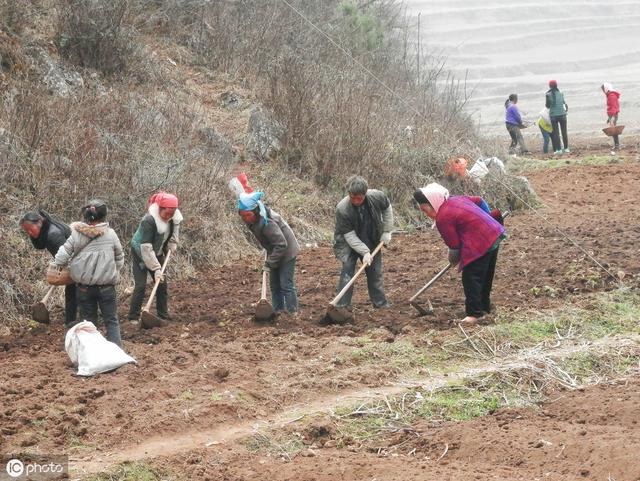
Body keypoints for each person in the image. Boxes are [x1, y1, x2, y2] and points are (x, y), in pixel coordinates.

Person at [413, 183, 506, 325]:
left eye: (425, 209)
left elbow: (454, 246)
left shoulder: (443, 217)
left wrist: (453, 260)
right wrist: (487, 217)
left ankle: (474, 315)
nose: (426, 214)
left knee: (471, 277)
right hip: (494, 234)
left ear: (433, 202)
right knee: (485, 275)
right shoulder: (455, 199)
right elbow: (479, 200)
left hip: (480, 242)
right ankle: (484, 308)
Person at [53, 200, 124, 346]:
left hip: (84, 288)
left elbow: (61, 256)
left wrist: (60, 266)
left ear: (85, 215)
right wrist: (113, 271)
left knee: (89, 323)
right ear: (104, 216)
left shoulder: (76, 235)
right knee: (111, 320)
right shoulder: (111, 234)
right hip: (107, 288)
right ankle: (116, 353)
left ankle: (91, 355)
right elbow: (120, 257)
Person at [333, 175, 393, 309]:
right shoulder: (342, 209)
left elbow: (387, 208)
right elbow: (349, 235)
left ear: (365, 194)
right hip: (348, 243)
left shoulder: (377, 196)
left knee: (375, 272)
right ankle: (341, 306)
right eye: (352, 197)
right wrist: (364, 252)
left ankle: (380, 304)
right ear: (348, 193)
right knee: (347, 271)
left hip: (371, 237)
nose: (355, 201)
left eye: (359, 198)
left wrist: (387, 230)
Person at [238, 191, 300, 313]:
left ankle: (293, 314)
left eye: (248, 215)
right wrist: (268, 251)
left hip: (286, 251)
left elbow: (281, 244)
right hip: (274, 250)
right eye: (243, 215)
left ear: (255, 211)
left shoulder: (267, 223)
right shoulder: (252, 220)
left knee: (286, 285)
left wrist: (269, 263)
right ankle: (278, 311)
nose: (246, 218)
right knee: (274, 285)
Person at [128, 192, 183, 323]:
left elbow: (174, 232)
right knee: (141, 285)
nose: (169, 217)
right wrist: (156, 269)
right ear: (159, 209)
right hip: (141, 253)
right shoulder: (148, 221)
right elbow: (146, 248)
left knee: (162, 284)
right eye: (166, 214)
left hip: (157, 252)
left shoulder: (173, 217)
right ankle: (133, 316)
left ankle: (163, 314)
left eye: (172, 214)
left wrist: (172, 243)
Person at [20, 210, 77, 326]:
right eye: (27, 231)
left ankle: (74, 322)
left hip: (79, 262)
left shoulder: (53, 236)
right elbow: (39, 245)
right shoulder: (46, 229)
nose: (30, 233)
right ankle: (72, 320)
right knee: (73, 289)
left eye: (31, 228)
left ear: (39, 222)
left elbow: (68, 259)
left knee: (75, 289)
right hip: (74, 260)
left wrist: (58, 271)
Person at [545, 80, 569, 154]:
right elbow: (565, 104)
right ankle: (566, 148)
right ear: (556, 85)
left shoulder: (548, 95)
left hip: (553, 116)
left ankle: (558, 150)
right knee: (564, 132)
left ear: (550, 86)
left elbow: (547, 106)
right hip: (563, 115)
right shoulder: (561, 93)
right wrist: (565, 111)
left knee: (556, 133)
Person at [601, 82, 621, 151]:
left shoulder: (611, 96)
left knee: (614, 131)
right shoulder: (611, 95)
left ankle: (617, 145)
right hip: (613, 115)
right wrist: (608, 118)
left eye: (603, 89)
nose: (603, 91)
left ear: (606, 89)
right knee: (614, 130)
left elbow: (613, 107)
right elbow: (613, 107)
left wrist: (611, 117)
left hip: (613, 115)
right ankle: (617, 145)